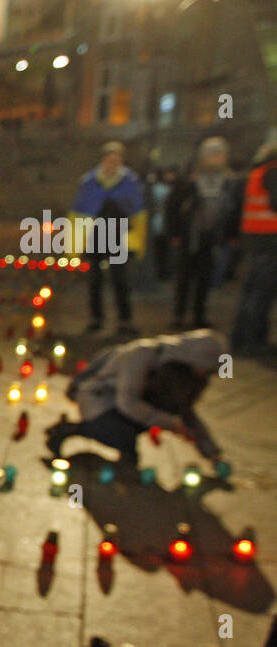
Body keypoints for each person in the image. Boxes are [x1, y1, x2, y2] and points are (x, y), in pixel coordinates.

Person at [45, 329, 225, 468]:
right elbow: (127, 402)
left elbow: (184, 409)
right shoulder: (142, 355)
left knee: (130, 441)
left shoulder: (183, 372)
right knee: (123, 438)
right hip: (101, 401)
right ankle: (72, 430)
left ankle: (123, 442)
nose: (206, 374)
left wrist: (211, 452)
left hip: (129, 407)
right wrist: (170, 423)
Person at [71, 141, 145, 336]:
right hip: (95, 236)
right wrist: (76, 242)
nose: (112, 163)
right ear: (103, 160)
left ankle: (124, 320)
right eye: (109, 159)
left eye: (116, 159)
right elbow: (79, 212)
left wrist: (137, 240)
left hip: (119, 236)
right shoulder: (89, 182)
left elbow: (137, 211)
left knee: (120, 279)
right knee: (95, 281)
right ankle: (96, 319)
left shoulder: (130, 182)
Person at [170, 137, 240, 330]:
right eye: (212, 154)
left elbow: (234, 210)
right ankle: (179, 315)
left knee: (205, 278)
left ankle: (199, 315)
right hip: (189, 236)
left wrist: (231, 235)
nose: (215, 159)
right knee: (184, 277)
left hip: (212, 237)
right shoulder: (188, 179)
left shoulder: (229, 181)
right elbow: (173, 207)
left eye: (219, 155)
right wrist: (175, 233)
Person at [231, 141, 277, 354]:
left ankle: (242, 338)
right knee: (260, 293)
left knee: (252, 291)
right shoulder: (273, 173)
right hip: (270, 241)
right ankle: (252, 341)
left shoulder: (258, 172)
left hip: (257, 239)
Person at [147, 166, 179, 281]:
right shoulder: (169, 189)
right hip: (166, 223)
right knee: (165, 251)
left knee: (156, 250)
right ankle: (165, 273)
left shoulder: (153, 189)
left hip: (155, 222)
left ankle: (157, 272)